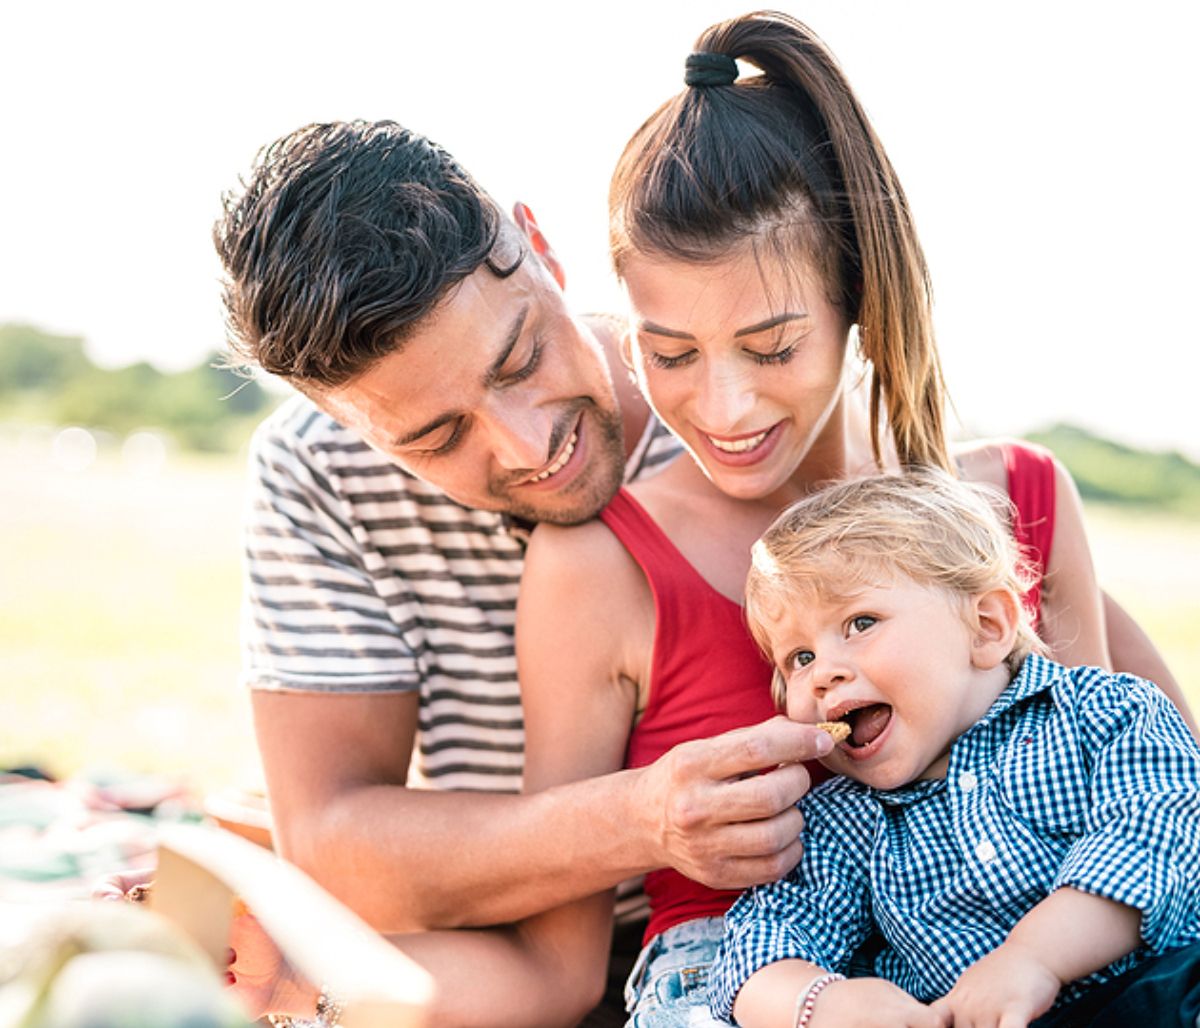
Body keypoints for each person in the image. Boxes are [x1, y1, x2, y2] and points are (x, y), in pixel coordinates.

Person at [150, 13, 1188, 1026]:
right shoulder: (542, 546)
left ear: (542, 248)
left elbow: (1127, 764)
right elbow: (347, 845)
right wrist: (641, 819)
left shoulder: (948, 484)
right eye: (433, 435)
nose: (525, 444)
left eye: (519, 359)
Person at [707, 469, 1200, 1027]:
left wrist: (1032, 960)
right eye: (798, 658)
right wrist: (823, 1003)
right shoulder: (842, 822)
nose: (822, 674)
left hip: (1154, 989)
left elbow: (1154, 837)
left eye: (860, 622)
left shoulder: (1105, 714)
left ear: (986, 627)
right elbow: (759, 942)